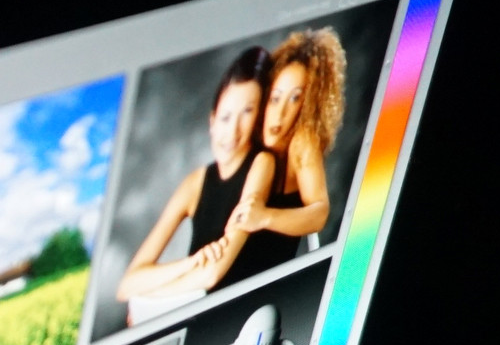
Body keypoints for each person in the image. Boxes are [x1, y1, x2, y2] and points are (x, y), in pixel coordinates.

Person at [114, 47, 277, 310]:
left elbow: (212, 273)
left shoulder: (262, 164)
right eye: (225, 117)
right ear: (212, 121)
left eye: (247, 113)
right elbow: (127, 285)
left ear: (258, 118)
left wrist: (147, 300)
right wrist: (190, 263)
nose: (232, 132)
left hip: (245, 313)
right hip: (199, 316)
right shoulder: (195, 183)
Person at [224, 28, 345, 265]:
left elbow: (319, 213)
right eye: (275, 98)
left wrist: (264, 217)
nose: (280, 113)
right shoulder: (250, 134)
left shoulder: (301, 141)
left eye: (295, 99)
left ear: (308, 105)